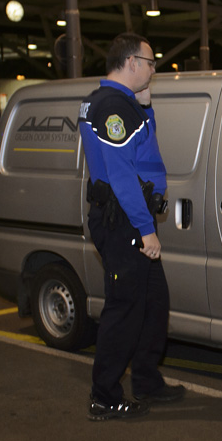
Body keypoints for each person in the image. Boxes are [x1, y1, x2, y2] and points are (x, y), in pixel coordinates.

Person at [76, 32, 184, 421]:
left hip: (129, 218)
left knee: (154, 304)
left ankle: (146, 380)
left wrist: (147, 108)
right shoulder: (111, 108)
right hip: (124, 222)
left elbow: (144, 150)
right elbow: (122, 175)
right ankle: (104, 396)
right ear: (131, 62)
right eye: (151, 62)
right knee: (124, 311)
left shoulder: (117, 102)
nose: (154, 69)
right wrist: (146, 228)